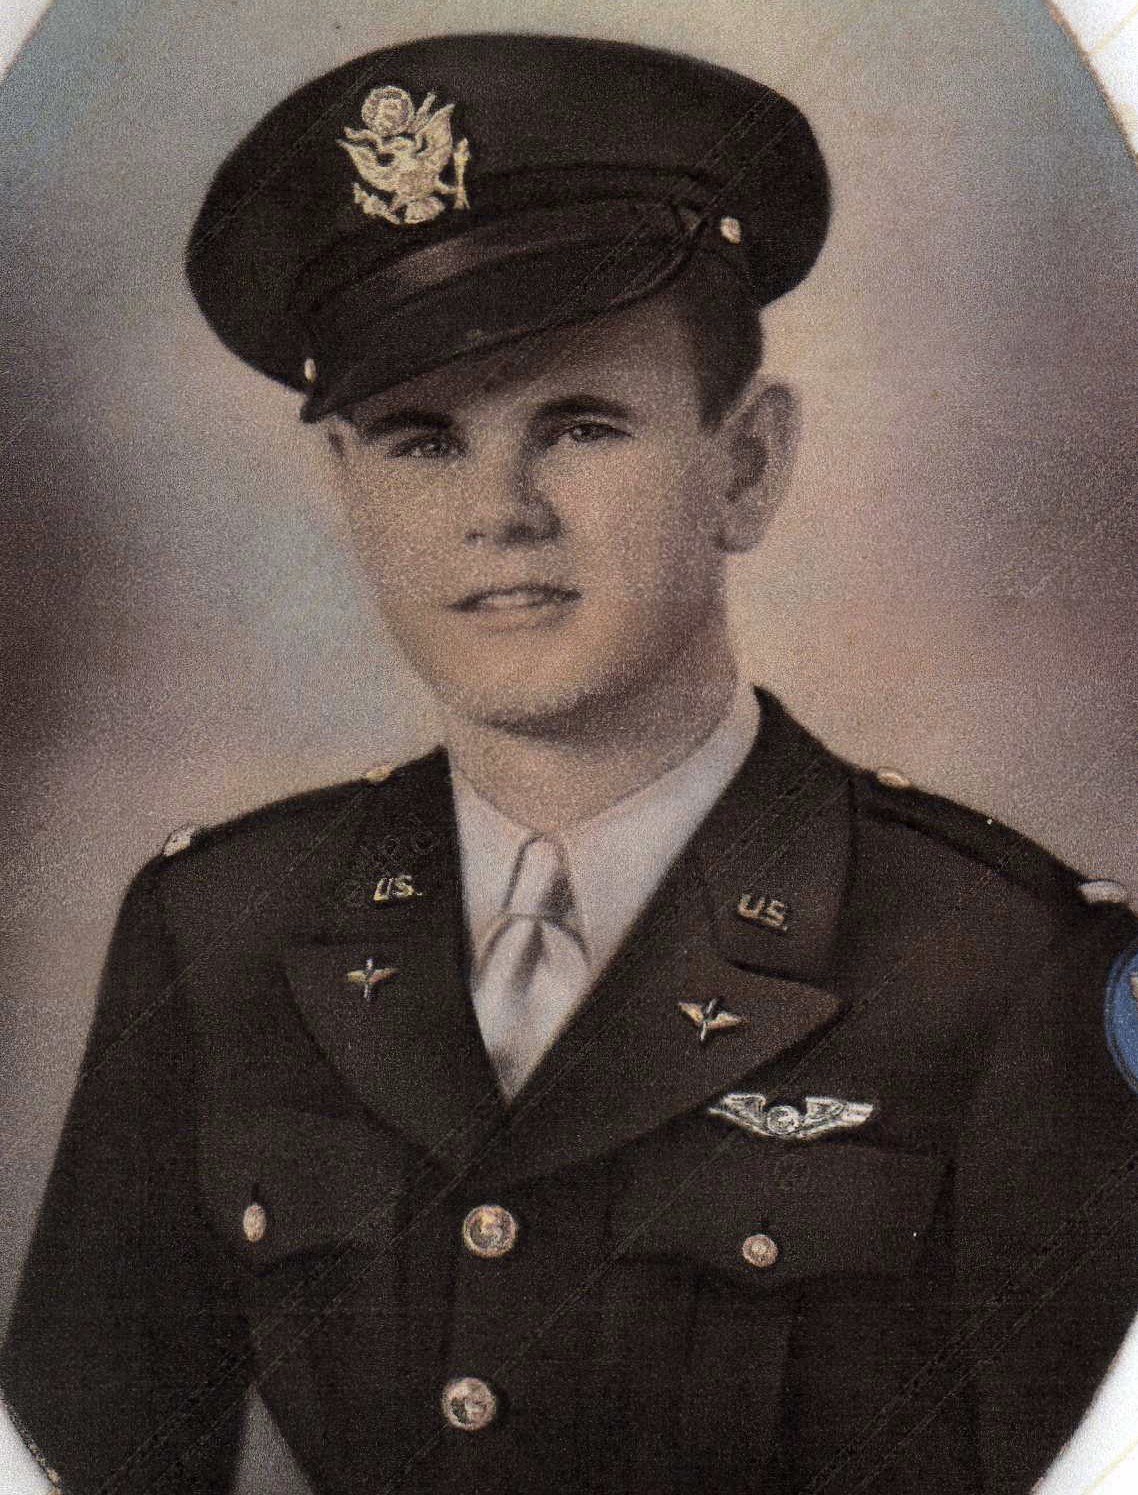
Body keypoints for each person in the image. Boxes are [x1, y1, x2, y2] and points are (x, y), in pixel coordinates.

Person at [3, 31, 1138, 1495]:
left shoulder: (1004, 967)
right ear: (345, 490)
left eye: (581, 425)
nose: (501, 511)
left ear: (744, 468)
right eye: (421, 442)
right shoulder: (222, 933)